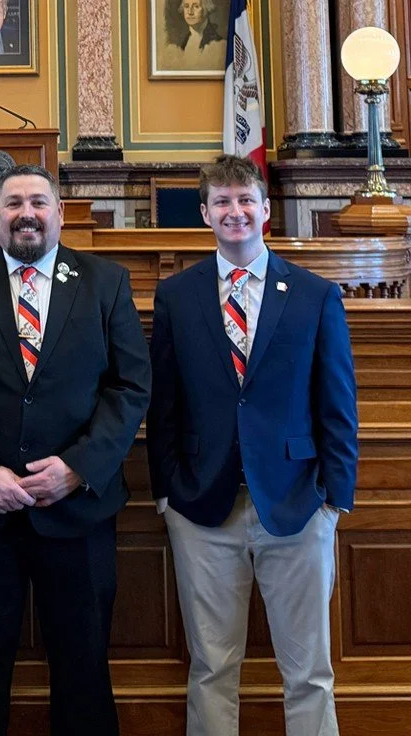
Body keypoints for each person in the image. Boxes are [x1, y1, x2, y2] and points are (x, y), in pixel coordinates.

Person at [0, 163, 151, 736]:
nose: (27, 213)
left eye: (39, 202)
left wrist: (78, 467)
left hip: (76, 511)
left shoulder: (105, 281)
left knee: (84, 667)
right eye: (14, 203)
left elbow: (130, 385)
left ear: (60, 214)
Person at [147, 155, 358, 736]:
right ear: (205, 214)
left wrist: (335, 499)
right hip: (202, 508)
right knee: (212, 667)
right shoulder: (177, 296)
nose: (234, 212)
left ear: (266, 209)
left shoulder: (315, 295)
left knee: (309, 670)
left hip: (296, 504)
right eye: (222, 202)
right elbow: (163, 403)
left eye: (245, 201)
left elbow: (337, 403)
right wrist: (166, 492)